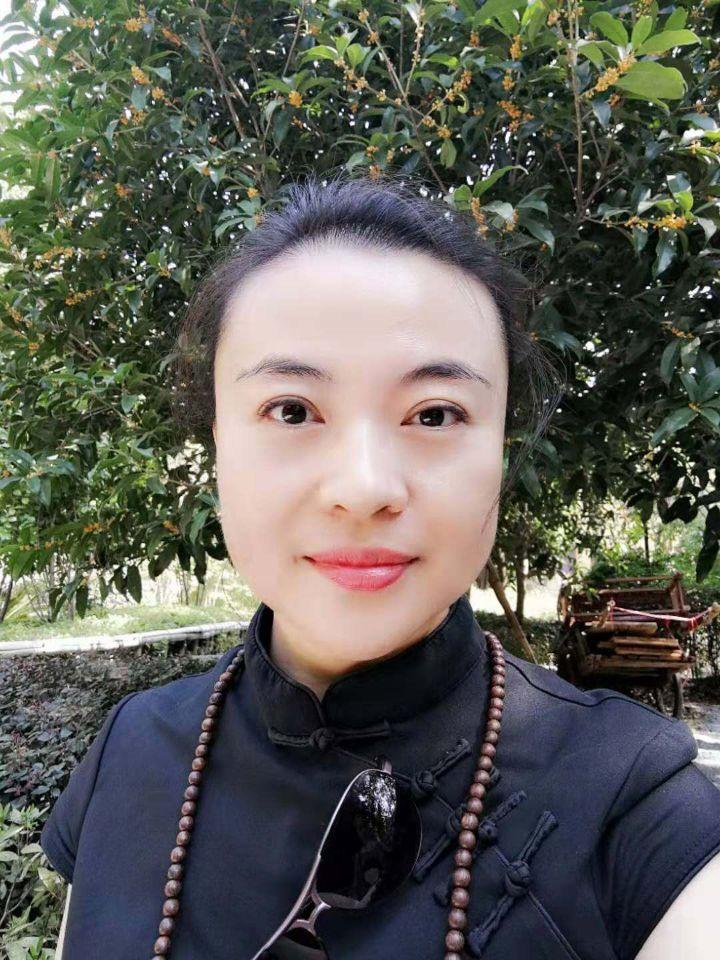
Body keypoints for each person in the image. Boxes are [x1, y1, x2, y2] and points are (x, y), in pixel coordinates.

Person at [41, 171, 720, 960]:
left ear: (501, 452)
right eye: (291, 410)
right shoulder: (131, 752)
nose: (364, 489)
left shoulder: (633, 804)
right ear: (218, 443)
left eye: (434, 414)